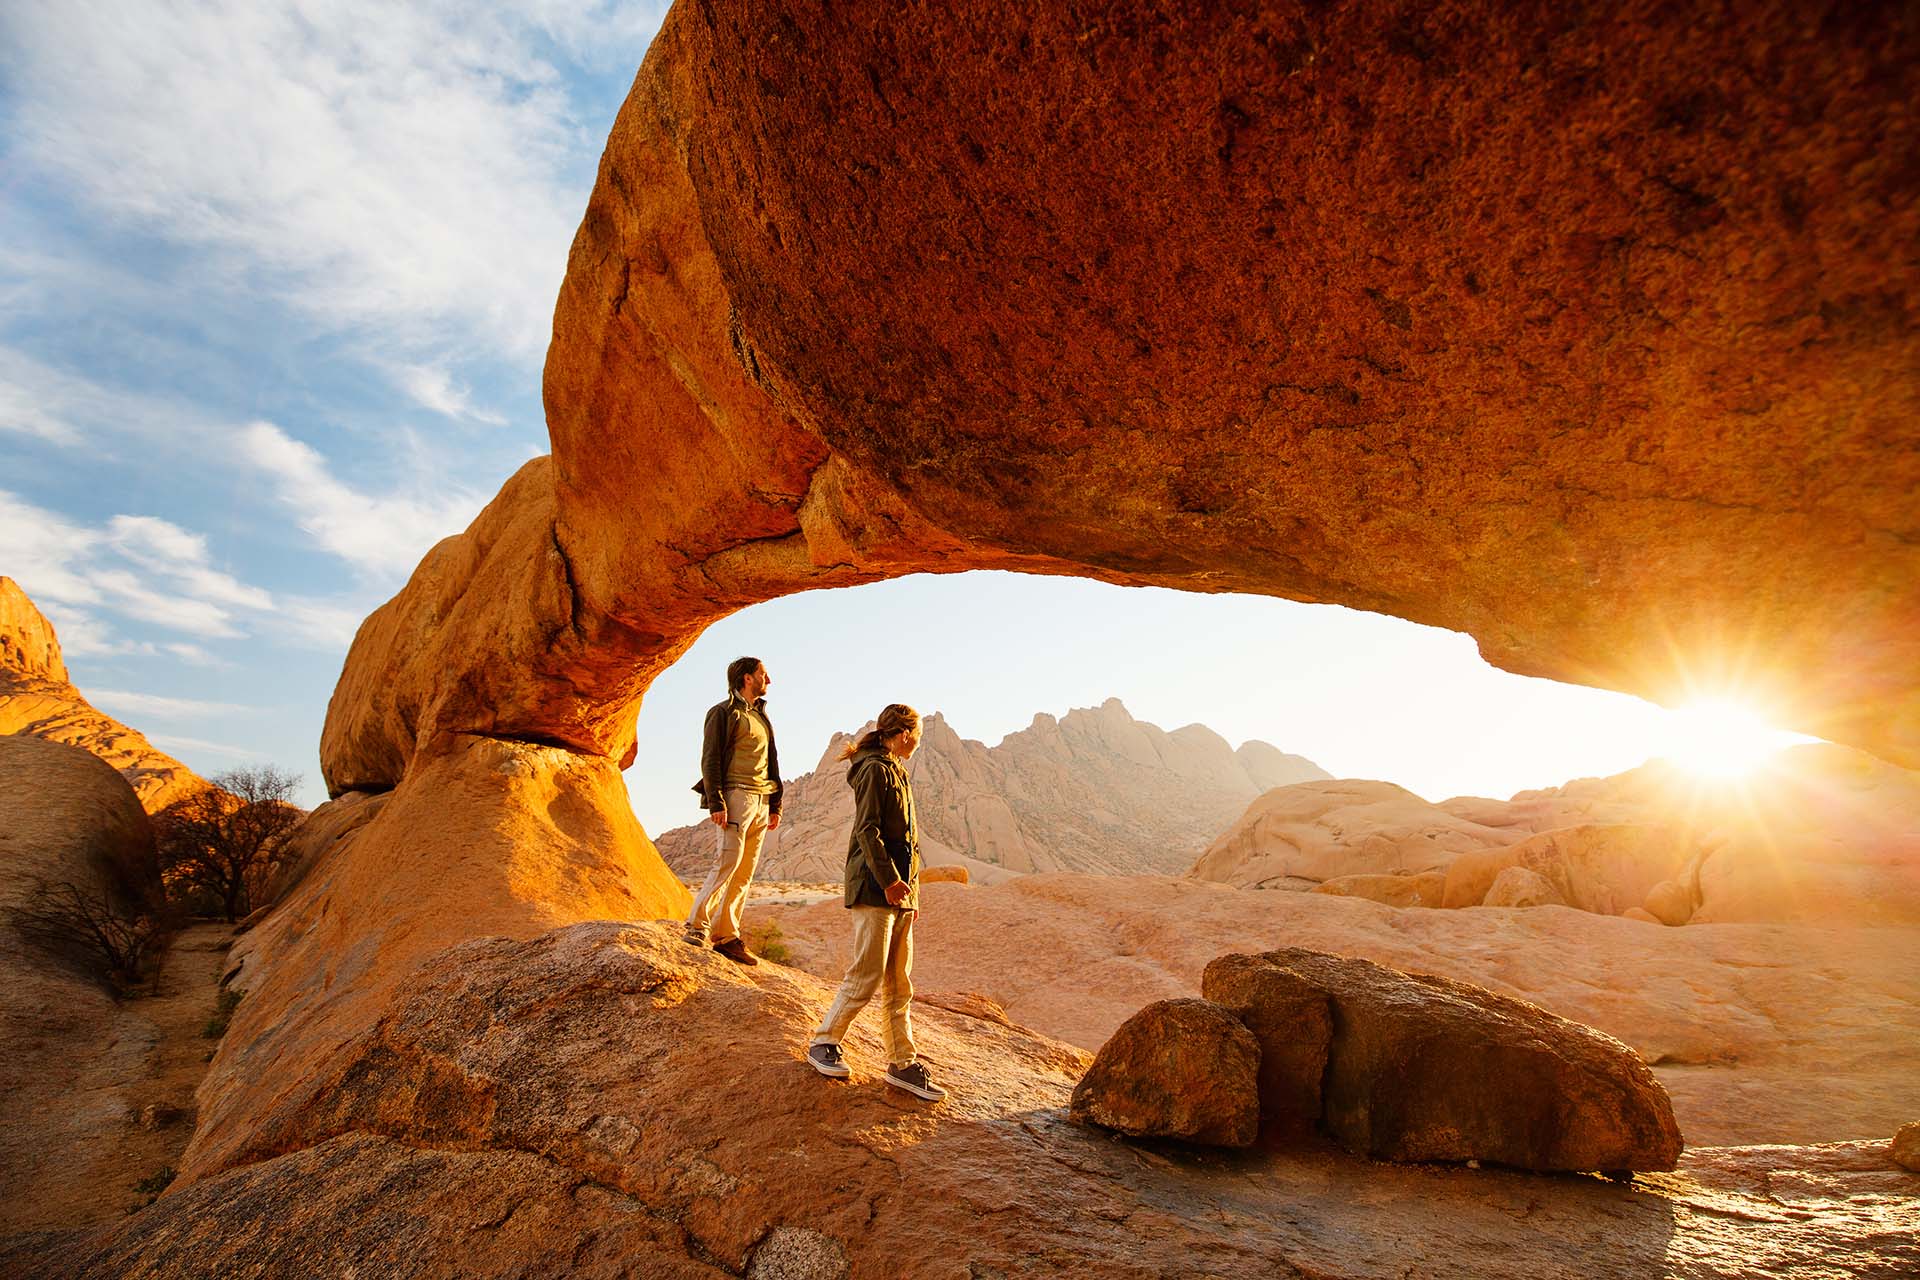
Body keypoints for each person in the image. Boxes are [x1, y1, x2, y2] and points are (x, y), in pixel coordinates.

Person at [806, 703, 946, 1101]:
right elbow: (868, 831)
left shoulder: (895, 769)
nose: (918, 742)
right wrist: (888, 882)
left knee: (899, 983)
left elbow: (908, 841)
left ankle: (902, 1063)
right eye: (916, 734)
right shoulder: (873, 769)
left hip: (899, 894)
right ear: (903, 733)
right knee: (866, 974)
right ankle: (823, 1041)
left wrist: (910, 893)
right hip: (874, 889)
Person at [684, 656, 782, 964]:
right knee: (728, 861)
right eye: (764, 675)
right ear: (747, 678)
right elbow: (710, 759)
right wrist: (716, 802)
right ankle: (697, 926)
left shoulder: (761, 716)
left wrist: (775, 803)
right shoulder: (723, 713)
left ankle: (726, 935)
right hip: (736, 795)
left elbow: (772, 762)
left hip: (761, 800)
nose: (770, 680)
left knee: (744, 873)